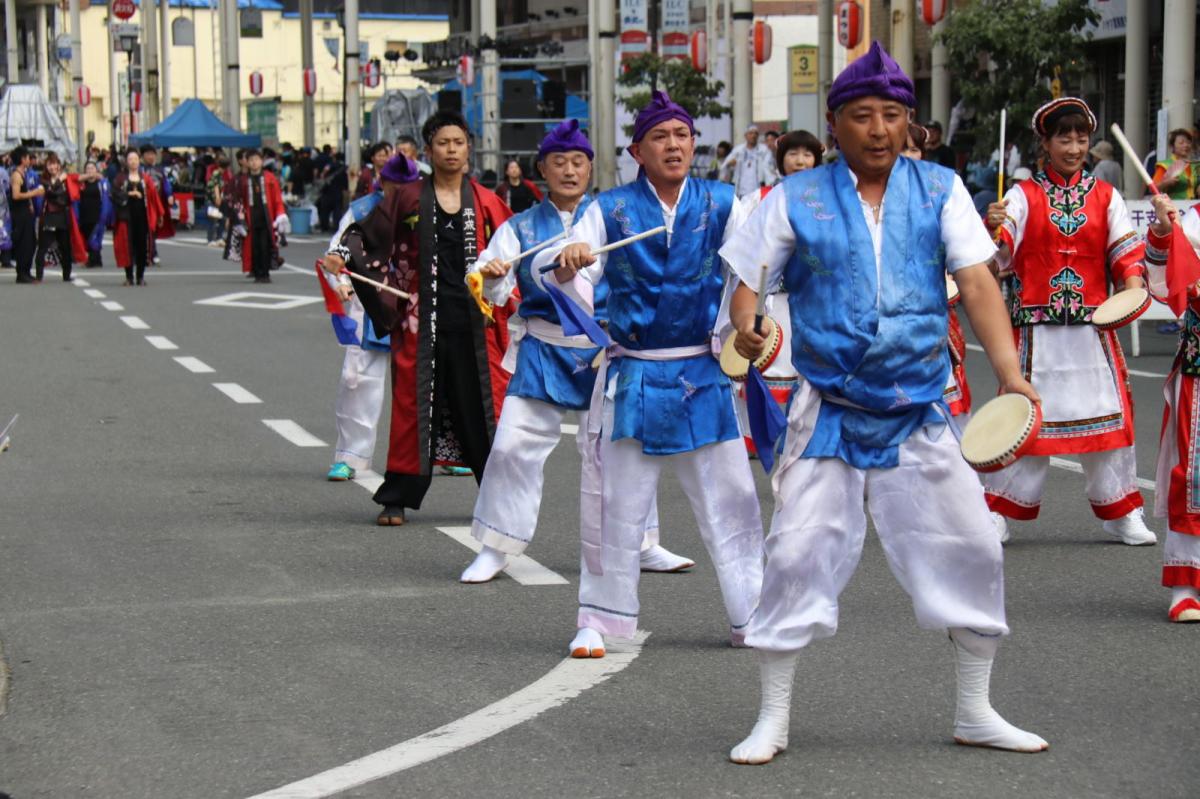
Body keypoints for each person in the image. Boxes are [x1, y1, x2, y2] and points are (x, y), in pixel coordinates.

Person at [721, 42, 1047, 765]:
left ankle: (975, 707)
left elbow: (980, 283)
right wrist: (748, 327)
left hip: (919, 409)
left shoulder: (940, 190)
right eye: (861, 115)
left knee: (970, 543)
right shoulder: (793, 197)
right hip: (828, 406)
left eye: (891, 114)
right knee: (798, 550)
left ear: (907, 123)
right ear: (834, 124)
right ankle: (771, 716)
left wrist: (1010, 373)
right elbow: (749, 280)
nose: (877, 128)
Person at [532, 91, 765, 659]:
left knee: (731, 501)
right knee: (616, 504)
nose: (674, 145)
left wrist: (748, 325)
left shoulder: (722, 202)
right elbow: (552, 267)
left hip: (702, 374)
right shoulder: (607, 210)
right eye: (660, 137)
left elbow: (755, 267)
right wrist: (570, 260)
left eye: (682, 135)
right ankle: (600, 617)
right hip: (634, 374)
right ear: (638, 150)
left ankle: (752, 612)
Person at [460, 120, 694, 584]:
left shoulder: (613, 216)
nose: (569, 171)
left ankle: (641, 542)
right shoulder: (520, 226)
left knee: (620, 451)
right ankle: (496, 545)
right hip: (544, 347)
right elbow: (492, 278)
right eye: (559, 162)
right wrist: (489, 272)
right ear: (541, 169)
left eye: (578, 162)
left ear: (591, 167)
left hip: (605, 347)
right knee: (512, 448)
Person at [322, 110, 516, 526]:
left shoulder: (485, 201)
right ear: (429, 150)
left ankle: (498, 495)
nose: (451, 150)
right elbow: (367, 236)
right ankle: (398, 495)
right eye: (443, 143)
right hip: (418, 319)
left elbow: (513, 248)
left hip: (473, 321)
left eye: (459, 142)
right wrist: (340, 256)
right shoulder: (407, 197)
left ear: (469, 148)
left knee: (483, 407)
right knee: (413, 408)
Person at [983, 97, 1154, 546]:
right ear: (1046, 142)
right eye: (1064, 137)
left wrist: (1133, 284)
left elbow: (1124, 251)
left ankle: (1122, 510)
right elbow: (1001, 256)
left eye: (1081, 138)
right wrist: (994, 229)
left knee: (1108, 419)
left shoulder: (1106, 195)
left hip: (1092, 328)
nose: (1074, 147)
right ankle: (998, 509)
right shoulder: (1022, 194)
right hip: (1037, 331)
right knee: (1026, 418)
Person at [323, 154, 423, 482]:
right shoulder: (363, 210)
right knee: (358, 379)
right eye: (396, 187)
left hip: (418, 305)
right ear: (383, 181)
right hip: (370, 302)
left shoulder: (430, 207)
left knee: (431, 382)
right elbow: (338, 251)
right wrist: (339, 282)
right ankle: (351, 455)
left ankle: (444, 453)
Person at [729, 129, 824, 456]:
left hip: (816, 303)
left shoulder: (830, 200)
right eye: (793, 154)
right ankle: (758, 436)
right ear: (781, 159)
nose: (801, 161)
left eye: (808, 154)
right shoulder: (761, 198)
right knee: (771, 362)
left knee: (814, 375)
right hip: (775, 301)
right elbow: (745, 248)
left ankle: (808, 442)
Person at [1142, 194, 1200, 623]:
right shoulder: (1191, 226)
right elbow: (1162, 285)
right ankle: (1187, 583)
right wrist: (1164, 231)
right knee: (1193, 474)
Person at [233, 148, 288, 284]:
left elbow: (277, 199)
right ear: (247, 163)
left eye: (256, 160)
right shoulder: (244, 180)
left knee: (265, 245)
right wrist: (239, 218)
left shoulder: (270, 178)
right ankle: (257, 272)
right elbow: (238, 200)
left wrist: (280, 214)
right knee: (254, 247)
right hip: (251, 218)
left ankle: (265, 273)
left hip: (266, 217)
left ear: (261, 161)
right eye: (251, 160)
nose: (254, 163)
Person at [111, 148, 164, 287]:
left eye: (135, 159)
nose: (133, 162)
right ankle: (129, 276)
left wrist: (159, 214)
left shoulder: (145, 178)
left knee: (142, 246)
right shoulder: (120, 178)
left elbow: (153, 198)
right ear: (126, 162)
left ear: (139, 160)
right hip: (126, 217)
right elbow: (114, 194)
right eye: (130, 159)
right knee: (127, 246)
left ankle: (140, 276)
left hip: (142, 217)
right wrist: (129, 195)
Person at [33, 153, 85, 282]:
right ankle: (39, 275)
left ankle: (66, 275)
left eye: (55, 164)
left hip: (63, 216)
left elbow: (78, 181)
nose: (52, 167)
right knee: (43, 247)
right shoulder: (43, 180)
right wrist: (59, 180)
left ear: (59, 165)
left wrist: (92, 174)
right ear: (46, 166)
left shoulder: (66, 179)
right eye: (50, 164)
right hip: (49, 216)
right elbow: (50, 192)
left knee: (65, 247)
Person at [8, 147, 41, 284]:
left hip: (26, 212)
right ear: (22, 159)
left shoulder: (24, 173)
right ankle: (21, 274)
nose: (30, 160)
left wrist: (30, 204)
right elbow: (15, 195)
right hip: (19, 213)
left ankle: (26, 271)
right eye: (28, 157)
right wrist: (34, 194)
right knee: (24, 243)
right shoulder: (16, 175)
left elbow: (24, 191)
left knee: (31, 242)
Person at [140, 145, 174, 262]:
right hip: (141, 202)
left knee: (153, 227)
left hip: (156, 203)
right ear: (143, 156)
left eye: (152, 154)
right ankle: (142, 252)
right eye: (147, 154)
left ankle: (153, 252)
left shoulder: (160, 169)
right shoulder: (140, 169)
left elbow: (166, 183)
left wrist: (169, 195)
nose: (150, 156)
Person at [75, 161, 112, 267]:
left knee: (94, 237)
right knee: (87, 237)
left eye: (92, 168)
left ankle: (93, 260)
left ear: (96, 170)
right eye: (88, 168)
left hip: (97, 215)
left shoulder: (101, 183)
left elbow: (106, 198)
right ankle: (95, 259)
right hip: (84, 215)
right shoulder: (82, 184)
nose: (90, 171)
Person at [722, 124, 771, 198]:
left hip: (757, 190)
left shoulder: (764, 150)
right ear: (746, 135)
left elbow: (769, 169)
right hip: (740, 191)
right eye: (751, 133)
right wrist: (729, 164)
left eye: (756, 133)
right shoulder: (738, 150)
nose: (753, 136)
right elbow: (725, 165)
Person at [1153, 128, 1196, 200]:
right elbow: (1153, 188)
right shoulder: (1166, 165)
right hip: (1175, 207)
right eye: (1181, 143)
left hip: (1192, 208)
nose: (1186, 145)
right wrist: (1166, 183)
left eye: (1188, 142)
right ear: (1172, 146)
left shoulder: (1194, 165)